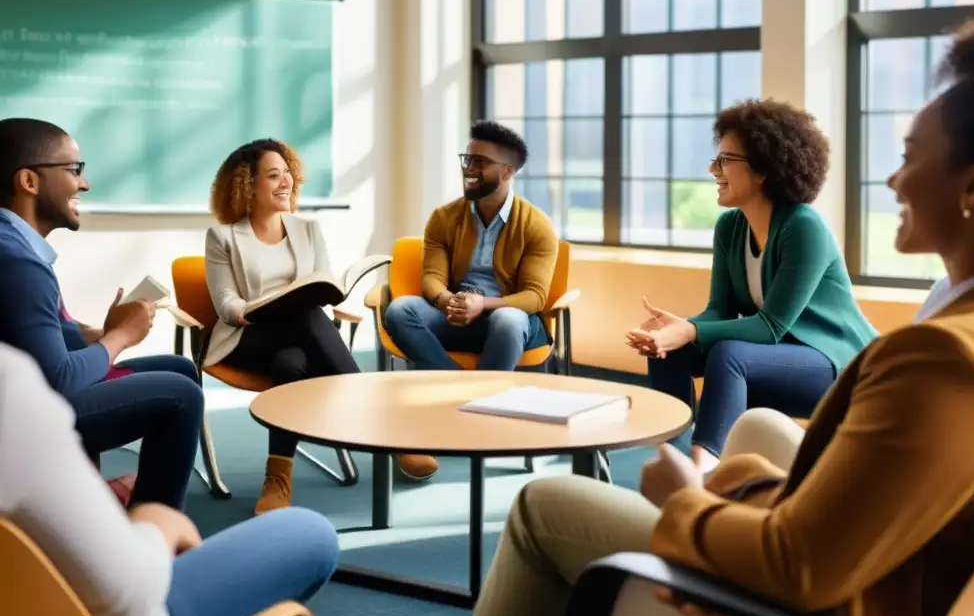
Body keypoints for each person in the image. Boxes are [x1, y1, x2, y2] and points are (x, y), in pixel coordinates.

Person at [473, 6, 974, 616]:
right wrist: (747, 483)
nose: (894, 180)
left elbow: (802, 566)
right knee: (745, 428)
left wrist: (688, 502)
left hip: (820, 580)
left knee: (541, 504)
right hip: (887, 563)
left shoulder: (944, 357)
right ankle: (698, 454)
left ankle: (695, 468)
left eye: (912, 155)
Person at [0, 341, 339, 616]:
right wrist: (155, 523)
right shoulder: (10, 388)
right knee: (311, 532)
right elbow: (130, 593)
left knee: (293, 352)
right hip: (136, 604)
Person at [626, 99, 877, 472]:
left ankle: (703, 475)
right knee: (669, 352)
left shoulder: (804, 226)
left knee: (730, 354)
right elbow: (720, 311)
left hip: (835, 366)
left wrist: (690, 330)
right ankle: (673, 458)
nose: (713, 169)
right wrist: (677, 332)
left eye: (726, 160)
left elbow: (770, 326)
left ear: (763, 169)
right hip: (776, 357)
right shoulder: (730, 228)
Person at [0, 118, 203, 511]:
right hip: (22, 418)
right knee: (182, 396)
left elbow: (37, 334)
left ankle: (90, 500)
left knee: (179, 369)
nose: (84, 183)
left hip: (23, 395)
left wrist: (97, 334)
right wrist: (121, 337)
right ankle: (151, 538)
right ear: (29, 181)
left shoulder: (14, 246)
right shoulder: (17, 261)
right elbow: (60, 380)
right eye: (74, 170)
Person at [384, 120, 558, 481]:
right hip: (453, 315)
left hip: (507, 324)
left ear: (507, 171)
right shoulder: (444, 217)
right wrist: (449, 301)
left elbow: (535, 296)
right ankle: (467, 403)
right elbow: (430, 276)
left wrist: (484, 305)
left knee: (508, 319)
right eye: (468, 158)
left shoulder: (537, 225)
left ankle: (460, 414)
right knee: (400, 310)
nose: (469, 168)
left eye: (480, 161)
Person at [205, 138, 361, 515]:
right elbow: (225, 302)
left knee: (290, 364)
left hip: (297, 341)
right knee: (303, 316)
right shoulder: (223, 237)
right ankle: (372, 409)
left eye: (287, 173)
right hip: (248, 336)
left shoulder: (308, 229)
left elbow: (320, 285)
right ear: (248, 185)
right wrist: (249, 309)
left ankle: (277, 478)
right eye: (273, 175)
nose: (285, 182)